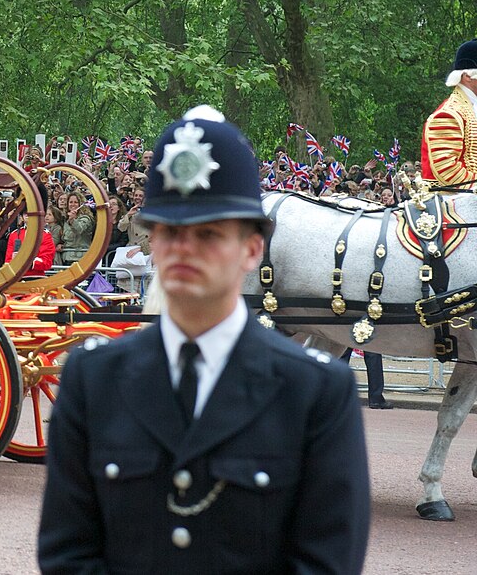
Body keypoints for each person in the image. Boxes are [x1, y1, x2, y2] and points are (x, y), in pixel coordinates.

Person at [38, 106, 370, 574]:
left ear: (253, 248)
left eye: (209, 232)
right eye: (169, 231)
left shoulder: (317, 393)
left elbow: (325, 563)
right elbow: (67, 555)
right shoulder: (92, 380)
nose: (184, 248)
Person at [422, 39, 477, 187]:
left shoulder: (470, 108)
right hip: (452, 197)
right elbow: (448, 172)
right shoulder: (449, 114)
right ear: (468, 76)